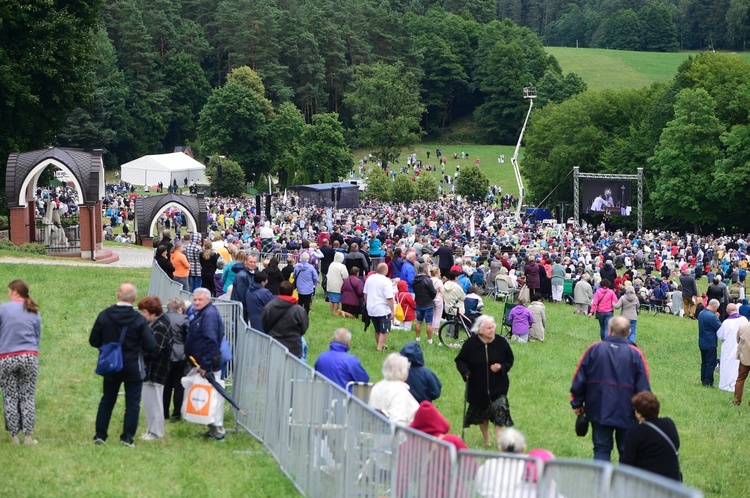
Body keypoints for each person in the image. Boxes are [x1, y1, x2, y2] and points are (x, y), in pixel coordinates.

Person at [570, 316, 651, 462]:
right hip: (628, 412)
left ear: (609, 330)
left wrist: (576, 402)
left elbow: (580, 377)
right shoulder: (635, 354)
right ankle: (622, 485)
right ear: (629, 331)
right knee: (627, 452)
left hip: (599, 407)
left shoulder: (595, 349)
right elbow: (644, 386)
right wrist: (645, 412)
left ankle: (601, 484)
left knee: (601, 448)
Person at [90, 283, 157, 446]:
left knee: (107, 400)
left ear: (117, 295)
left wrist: (106, 347)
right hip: (133, 365)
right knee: (132, 403)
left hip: (111, 364)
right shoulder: (139, 319)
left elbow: (93, 340)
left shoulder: (105, 315)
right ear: (134, 299)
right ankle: (127, 438)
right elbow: (151, 345)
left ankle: (100, 435)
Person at [455, 315, 515, 446]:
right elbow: (460, 360)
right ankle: (487, 439)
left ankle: (499, 439)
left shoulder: (501, 342)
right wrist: (465, 372)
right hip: (477, 387)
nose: (492, 330)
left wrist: (502, 367)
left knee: (500, 410)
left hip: (499, 386)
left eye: (493, 327)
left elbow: (509, 359)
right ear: (480, 330)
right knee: (482, 413)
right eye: (488, 328)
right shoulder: (471, 344)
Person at [0, 280, 42, 445]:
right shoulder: (33, 310)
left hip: (7, 357)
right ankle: (28, 437)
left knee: (10, 396)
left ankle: (14, 437)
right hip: (29, 356)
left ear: (15, 292)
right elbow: (36, 336)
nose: (8, 294)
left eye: (9, 291)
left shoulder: (3, 309)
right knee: (28, 396)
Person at [184, 287, 226, 441]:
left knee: (213, 396)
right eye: (195, 299)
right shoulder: (201, 313)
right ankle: (212, 428)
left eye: (200, 299)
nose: (196, 302)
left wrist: (204, 365)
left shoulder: (209, 315)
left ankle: (218, 431)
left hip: (209, 364)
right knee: (208, 394)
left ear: (208, 300)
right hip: (201, 362)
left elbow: (211, 341)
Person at [621, 392, 682, 482]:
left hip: (648, 484)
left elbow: (627, 463)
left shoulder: (635, 432)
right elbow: (676, 445)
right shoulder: (669, 423)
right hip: (672, 483)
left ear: (639, 413)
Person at [136, 296, 172, 441]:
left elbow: (154, 350)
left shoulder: (160, 326)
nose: (142, 315)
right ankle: (151, 431)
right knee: (149, 402)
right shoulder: (157, 323)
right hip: (151, 369)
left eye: (144, 312)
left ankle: (156, 433)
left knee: (155, 403)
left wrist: (137, 351)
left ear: (153, 312)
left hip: (156, 370)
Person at [368, 353, 419, 425]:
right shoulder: (399, 391)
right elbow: (397, 422)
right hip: (401, 433)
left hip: (377, 429)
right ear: (403, 372)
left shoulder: (377, 386)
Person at [261, 281, 309, 358]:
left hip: (274, 343)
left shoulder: (269, 306)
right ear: (292, 292)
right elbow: (304, 327)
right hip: (294, 346)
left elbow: (264, 323)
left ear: (279, 291)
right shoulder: (299, 310)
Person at [163, 297, 188, 423]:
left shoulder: (161, 318)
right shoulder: (183, 319)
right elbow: (188, 337)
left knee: (166, 385)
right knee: (179, 386)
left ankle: (164, 412)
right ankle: (176, 414)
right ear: (180, 308)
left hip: (165, 355)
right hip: (180, 355)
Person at [364, 263, 395, 351]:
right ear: (385, 270)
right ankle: (379, 347)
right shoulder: (386, 281)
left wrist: (367, 304)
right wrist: (392, 311)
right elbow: (389, 298)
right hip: (382, 308)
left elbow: (365, 294)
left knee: (377, 328)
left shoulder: (369, 278)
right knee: (384, 329)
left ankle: (380, 344)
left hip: (371, 308)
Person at [716, 303, 746, 392]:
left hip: (729, 346)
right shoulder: (743, 319)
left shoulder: (727, 322)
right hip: (741, 345)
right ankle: (735, 384)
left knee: (727, 365)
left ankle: (725, 384)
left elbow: (720, 335)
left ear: (728, 311)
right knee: (737, 365)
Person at [698, 299, 722, 387]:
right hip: (710, 343)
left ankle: (703, 379)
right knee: (710, 363)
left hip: (702, 341)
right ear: (714, 306)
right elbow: (720, 328)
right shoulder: (712, 317)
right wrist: (717, 318)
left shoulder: (701, 313)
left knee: (704, 362)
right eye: (717, 308)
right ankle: (708, 382)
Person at [412, 262, 437, 344]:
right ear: (426, 270)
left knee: (419, 321)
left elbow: (414, 290)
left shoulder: (414, 280)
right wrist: (431, 298)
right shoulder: (428, 280)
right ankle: (430, 340)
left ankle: (417, 338)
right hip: (428, 303)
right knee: (429, 323)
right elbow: (433, 292)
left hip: (418, 303)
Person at [734, 320, 750, 405]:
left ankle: (737, 401)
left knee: (740, 379)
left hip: (745, 357)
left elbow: (738, 339)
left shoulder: (743, 327)